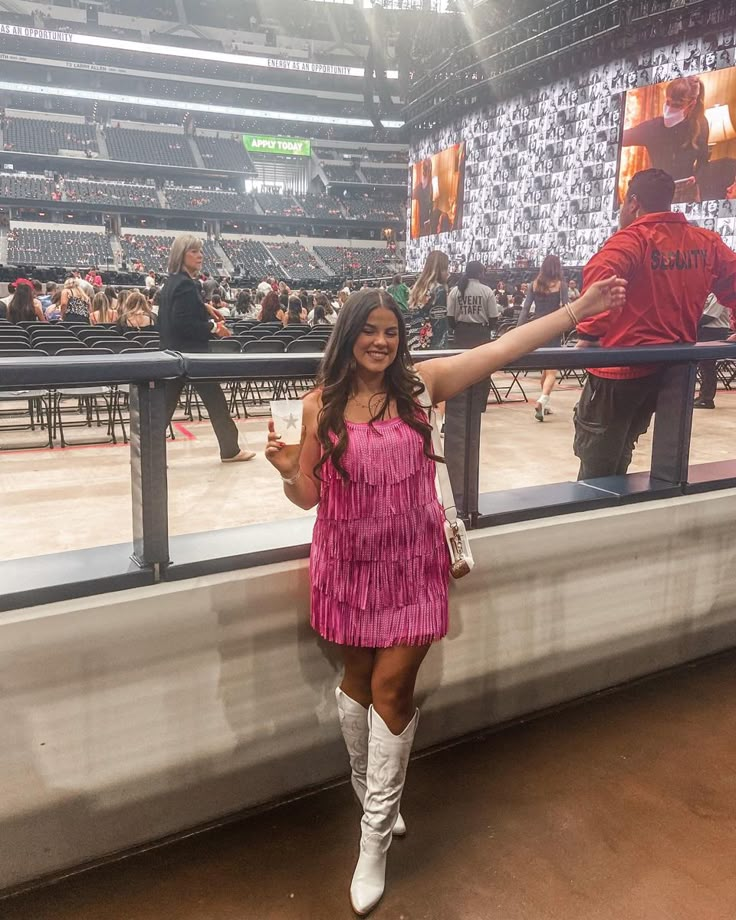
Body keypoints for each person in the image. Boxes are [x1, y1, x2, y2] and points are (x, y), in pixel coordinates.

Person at [264, 277, 627, 916]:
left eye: (390, 331)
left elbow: (503, 348)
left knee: (391, 689)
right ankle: (370, 790)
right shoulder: (317, 404)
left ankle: (372, 838)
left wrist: (578, 310)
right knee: (354, 682)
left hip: (414, 563)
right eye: (369, 330)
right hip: (346, 562)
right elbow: (311, 497)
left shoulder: (421, 387)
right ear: (348, 336)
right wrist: (290, 471)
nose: (381, 341)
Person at [574, 168, 736, 480]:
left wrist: (590, 333)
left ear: (633, 203)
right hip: (672, 372)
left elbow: (601, 280)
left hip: (617, 372)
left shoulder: (631, 240)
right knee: (648, 457)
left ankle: (597, 520)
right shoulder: (706, 242)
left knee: (597, 463)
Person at [158, 234, 255, 464]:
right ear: (181, 255)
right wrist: (213, 327)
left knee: (165, 408)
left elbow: (175, 314)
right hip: (191, 356)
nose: (200, 255)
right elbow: (183, 323)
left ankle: (146, 452)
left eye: (200, 251)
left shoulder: (172, 282)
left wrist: (204, 307)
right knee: (215, 401)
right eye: (193, 251)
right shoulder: (185, 284)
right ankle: (230, 450)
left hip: (173, 353)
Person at [622, 76, 709, 182]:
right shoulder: (653, 128)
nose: (670, 108)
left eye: (677, 105)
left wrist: (696, 178)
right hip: (660, 189)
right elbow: (621, 138)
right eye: (668, 102)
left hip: (687, 191)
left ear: (691, 105)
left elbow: (703, 161)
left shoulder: (701, 125)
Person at [517, 255, 569, 422]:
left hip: (537, 327)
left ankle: (545, 405)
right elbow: (567, 307)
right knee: (552, 369)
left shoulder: (535, 284)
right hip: (553, 327)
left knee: (544, 368)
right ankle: (543, 399)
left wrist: (518, 330)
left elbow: (525, 309)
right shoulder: (561, 285)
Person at [694, 294, 733, 409]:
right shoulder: (709, 293)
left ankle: (707, 399)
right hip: (706, 330)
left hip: (714, 331)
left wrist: (691, 322)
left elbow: (710, 316)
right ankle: (703, 396)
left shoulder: (718, 295)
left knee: (707, 364)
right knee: (703, 364)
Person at [408, 250, 449, 350]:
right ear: (440, 269)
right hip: (431, 343)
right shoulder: (439, 290)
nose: (448, 272)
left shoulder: (419, 288)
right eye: (446, 268)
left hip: (414, 340)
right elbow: (439, 324)